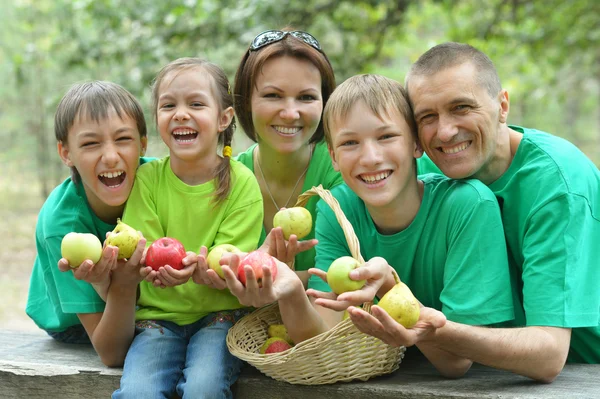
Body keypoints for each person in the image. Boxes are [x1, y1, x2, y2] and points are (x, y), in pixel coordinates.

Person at [219, 74, 515, 378]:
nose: (371, 158)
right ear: (333, 157)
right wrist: (292, 291)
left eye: (386, 137)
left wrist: (389, 285)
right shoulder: (338, 210)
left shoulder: (467, 206)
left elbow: (456, 363)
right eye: (350, 143)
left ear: (416, 144)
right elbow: (323, 338)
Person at [392, 41, 600, 381]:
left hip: (584, 372)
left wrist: (434, 330)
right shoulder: (425, 169)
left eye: (461, 107)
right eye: (427, 117)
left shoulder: (559, 185)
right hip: (482, 370)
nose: (444, 131)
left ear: (502, 106)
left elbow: (549, 356)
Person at [112, 58, 263, 399]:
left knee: (203, 389)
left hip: (219, 318)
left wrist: (205, 268)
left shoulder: (242, 185)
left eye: (196, 104)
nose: (180, 114)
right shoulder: (148, 179)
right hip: (157, 322)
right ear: (158, 119)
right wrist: (157, 265)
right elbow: (142, 244)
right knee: (138, 392)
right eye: (169, 105)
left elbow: (232, 258)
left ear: (224, 118)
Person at [25, 81, 150, 367]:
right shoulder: (61, 223)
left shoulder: (158, 181)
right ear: (66, 153)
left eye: (123, 139)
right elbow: (112, 353)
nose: (110, 156)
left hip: (135, 298)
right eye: (91, 143)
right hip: (74, 324)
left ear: (143, 144)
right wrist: (120, 286)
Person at [233, 29, 343, 283]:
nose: (291, 113)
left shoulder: (342, 169)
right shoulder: (228, 179)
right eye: (273, 96)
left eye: (306, 97)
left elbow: (351, 272)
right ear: (245, 101)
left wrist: (276, 280)